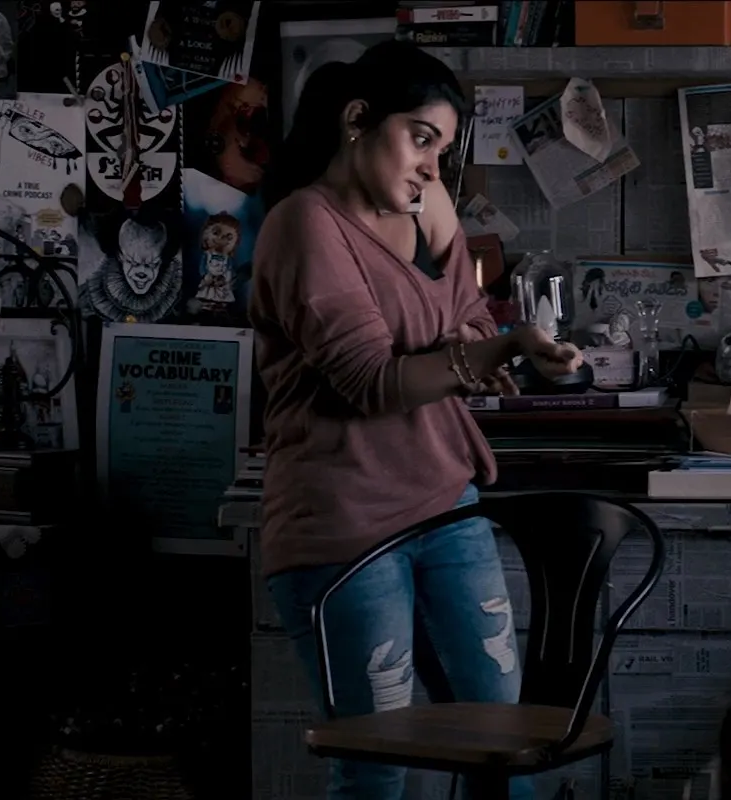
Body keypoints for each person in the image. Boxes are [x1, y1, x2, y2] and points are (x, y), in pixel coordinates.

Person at [251, 41, 581, 800]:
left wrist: (497, 347)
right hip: (344, 523)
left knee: (506, 744)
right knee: (378, 763)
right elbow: (372, 382)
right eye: (422, 139)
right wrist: (494, 349)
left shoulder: (426, 207)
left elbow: (471, 317)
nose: (434, 168)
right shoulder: (305, 225)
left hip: (446, 505)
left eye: (443, 150)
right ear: (358, 120)